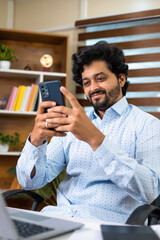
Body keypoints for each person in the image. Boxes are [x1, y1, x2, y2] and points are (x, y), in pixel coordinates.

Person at [17, 41, 160, 223]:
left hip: (108, 225)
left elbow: (150, 191)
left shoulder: (148, 125)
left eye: (100, 78)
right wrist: (36, 141)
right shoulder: (72, 123)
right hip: (61, 218)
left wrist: (96, 140)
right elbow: (32, 182)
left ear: (121, 79)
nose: (93, 88)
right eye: (87, 82)